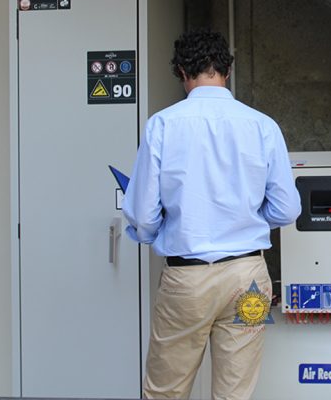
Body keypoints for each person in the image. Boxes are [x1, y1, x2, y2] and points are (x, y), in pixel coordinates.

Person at [123, 28, 302, 400]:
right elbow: (287, 208)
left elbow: (142, 213)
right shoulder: (263, 125)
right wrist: (245, 220)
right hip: (249, 278)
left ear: (181, 73)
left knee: (165, 392)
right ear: (228, 70)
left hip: (187, 279)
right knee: (235, 395)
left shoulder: (163, 124)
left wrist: (157, 231)